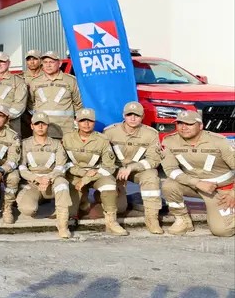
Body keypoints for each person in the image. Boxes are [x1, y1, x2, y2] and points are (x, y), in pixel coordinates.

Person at [161, 110, 235, 237]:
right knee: (169, 185)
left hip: (222, 190)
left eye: (189, 124)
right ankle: (182, 220)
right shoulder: (169, 141)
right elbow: (170, 170)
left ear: (200, 126)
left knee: (223, 231)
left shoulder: (219, 141)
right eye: (179, 123)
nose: (183, 128)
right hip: (194, 185)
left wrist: (233, 193)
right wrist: (197, 182)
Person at [62, 108, 126, 236]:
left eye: (90, 121)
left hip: (97, 174)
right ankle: (83, 202)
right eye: (83, 121)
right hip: (75, 175)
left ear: (94, 122)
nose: (86, 124)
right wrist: (81, 173)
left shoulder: (102, 139)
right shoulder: (67, 138)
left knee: (109, 185)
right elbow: (63, 163)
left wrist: (88, 178)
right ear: (76, 122)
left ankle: (111, 222)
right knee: (72, 209)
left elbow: (109, 166)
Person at [103, 101, 164, 234]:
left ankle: (152, 219)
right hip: (115, 171)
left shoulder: (151, 134)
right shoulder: (110, 132)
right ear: (123, 115)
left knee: (151, 176)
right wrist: (115, 172)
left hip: (137, 170)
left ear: (142, 117)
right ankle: (102, 199)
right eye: (129, 114)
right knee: (120, 207)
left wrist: (132, 168)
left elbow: (153, 160)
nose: (133, 118)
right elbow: (103, 157)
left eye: (136, 115)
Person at [16, 112, 72, 239]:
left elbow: (60, 166)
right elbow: (22, 168)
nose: (40, 127)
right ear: (32, 126)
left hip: (51, 182)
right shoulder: (25, 144)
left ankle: (63, 225)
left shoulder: (56, 144)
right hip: (33, 184)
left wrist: (48, 178)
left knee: (62, 184)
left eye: (43, 124)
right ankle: (37, 200)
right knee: (28, 209)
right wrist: (37, 178)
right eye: (37, 124)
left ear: (48, 126)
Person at [28, 51, 83, 139]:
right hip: (42, 131)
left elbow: (78, 103)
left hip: (65, 131)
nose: (48, 65)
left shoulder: (71, 81)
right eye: (45, 62)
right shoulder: (35, 82)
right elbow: (30, 104)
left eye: (51, 62)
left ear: (60, 63)